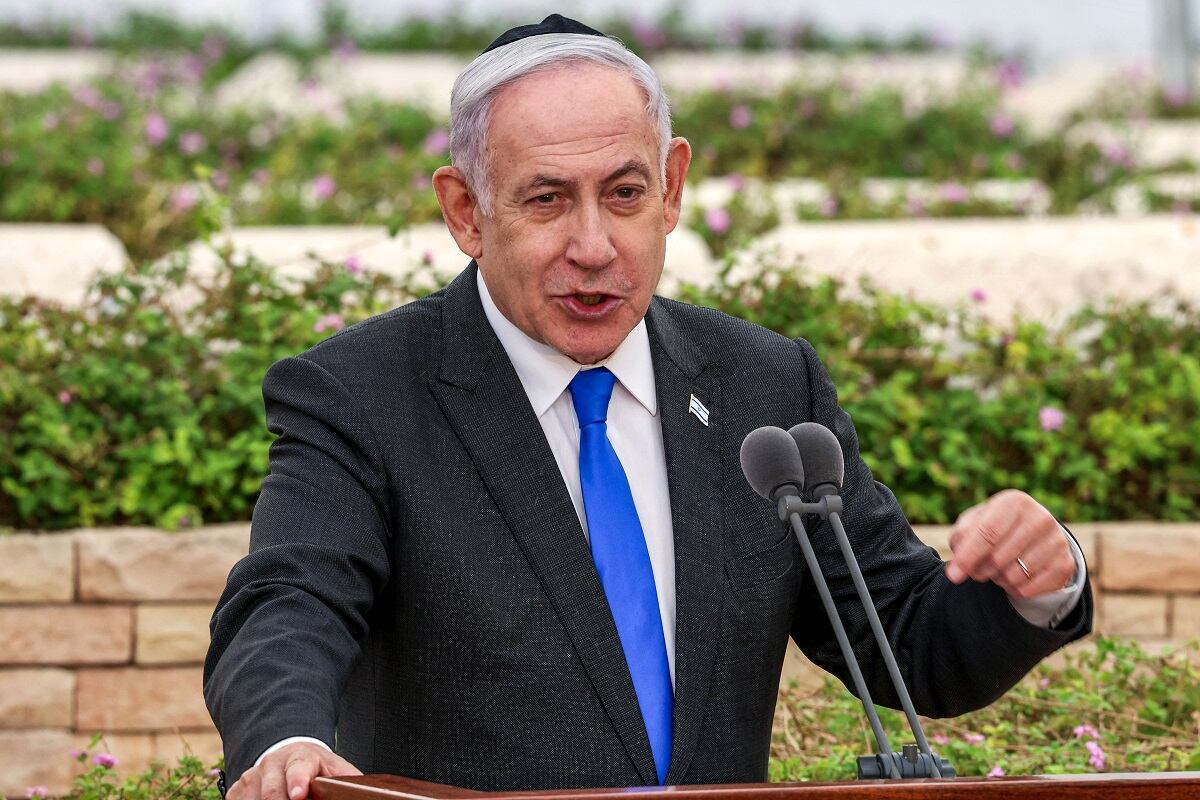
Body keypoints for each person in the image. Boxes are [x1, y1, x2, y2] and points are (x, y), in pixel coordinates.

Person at [204, 15, 1092, 800]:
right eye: (548, 199)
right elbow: (290, 599)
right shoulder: (360, 393)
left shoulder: (765, 386)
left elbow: (899, 636)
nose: (593, 246)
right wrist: (289, 740)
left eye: (624, 195)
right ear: (466, 211)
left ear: (672, 187)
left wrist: (1034, 583)